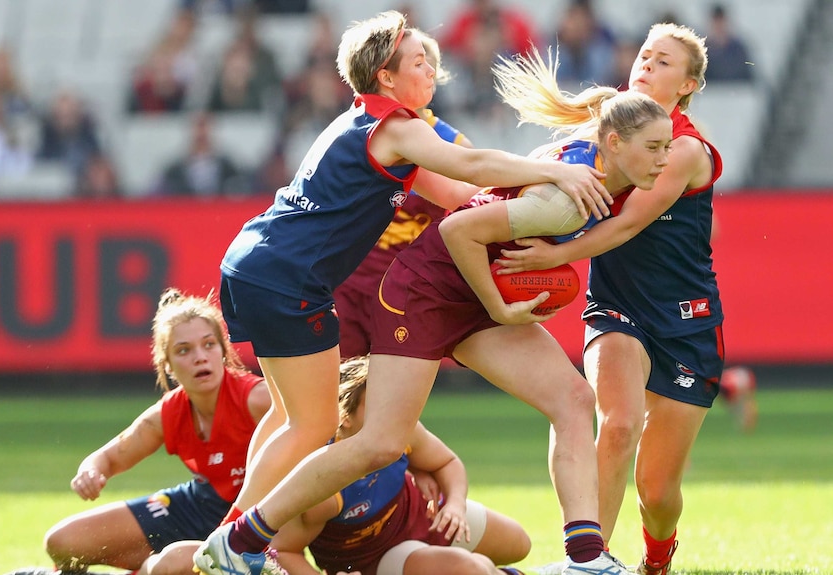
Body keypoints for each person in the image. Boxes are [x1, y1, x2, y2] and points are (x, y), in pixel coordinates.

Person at [192, 40, 672, 575]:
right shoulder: (553, 189)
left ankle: (586, 559)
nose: (667, 159)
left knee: (573, 399)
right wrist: (503, 304)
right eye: (655, 147)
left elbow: (461, 189)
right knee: (377, 442)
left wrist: (532, 256)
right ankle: (241, 538)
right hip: (421, 293)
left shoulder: (595, 159)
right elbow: (460, 223)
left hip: (461, 288)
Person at [494, 23, 724, 575]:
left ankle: (658, 553)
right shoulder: (606, 132)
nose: (645, 64)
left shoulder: (687, 148)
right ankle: (589, 563)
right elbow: (544, 180)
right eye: (644, 54)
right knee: (617, 425)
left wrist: (548, 259)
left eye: (663, 61)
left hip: (687, 321)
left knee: (659, 491)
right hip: (617, 307)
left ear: (687, 85)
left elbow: (624, 227)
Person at [34, 288, 271, 575]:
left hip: (252, 517)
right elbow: (108, 458)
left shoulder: (257, 398)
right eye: (184, 350)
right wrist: (90, 471)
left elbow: (315, 435)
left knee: (167, 565)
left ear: (223, 350)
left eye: (209, 345)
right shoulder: (169, 412)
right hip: (199, 505)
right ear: (167, 365)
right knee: (63, 541)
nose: (200, 357)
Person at [271, 355, 532, 575]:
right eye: (376, 401)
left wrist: (454, 504)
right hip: (379, 556)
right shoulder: (323, 480)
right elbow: (282, 550)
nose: (391, 410)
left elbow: (447, 462)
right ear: (344, 416)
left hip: (424, 515)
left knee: (520, 543)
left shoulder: (399, 427)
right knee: (473, 568)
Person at [333, 28, 473, 359]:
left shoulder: (452, 145)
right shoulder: (366, 129)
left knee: (389, 398)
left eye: (428, 66)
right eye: (417, 63)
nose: (426, 73)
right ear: (388, 77)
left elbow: (468, 204)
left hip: (401, 290)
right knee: (337, 395)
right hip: (348, 284)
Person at [703, 4, 754, 83]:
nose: (719, 27)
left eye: (721, 22)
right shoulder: (703, 50)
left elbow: (749, 75)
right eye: (716, 22)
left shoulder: (739, 49)